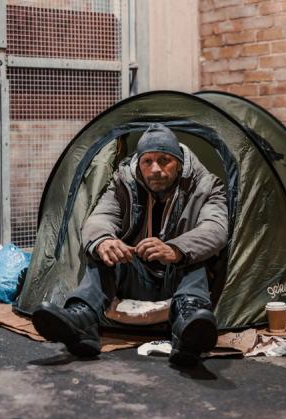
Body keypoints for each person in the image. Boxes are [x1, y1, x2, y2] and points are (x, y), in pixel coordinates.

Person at [32, 123, 229, 367]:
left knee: (196, 257)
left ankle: (187, 325)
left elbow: (216, 229)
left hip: (178, 277)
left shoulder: (208, 185)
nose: (155, 169)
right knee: (104, 251)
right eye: (147, 161)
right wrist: (104, 241)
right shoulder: (123, 182)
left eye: (164, 160)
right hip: (136, 275)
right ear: (139, 164)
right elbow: (99, 218)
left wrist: (175, 249)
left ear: (179, 163)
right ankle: (82, 318)